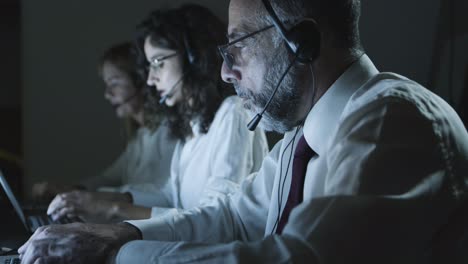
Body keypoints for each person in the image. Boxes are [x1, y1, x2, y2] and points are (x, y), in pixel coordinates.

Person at [18, 0, 468, 263]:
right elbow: (234, 217)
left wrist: (120, 256)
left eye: (238, 47)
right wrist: (122, 234)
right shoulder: (298, 141)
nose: (226, 72)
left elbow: (299, 258)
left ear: (302, 44)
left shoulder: (390, 118)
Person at [45, 4, 269, 224]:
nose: (151, 79)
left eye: (158, 63)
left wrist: (111, 209)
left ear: (193, 58)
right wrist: (97, 199)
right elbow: (170, 195)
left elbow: (216, 217)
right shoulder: (193, 122)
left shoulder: (234, 113)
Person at [31, 42, 178, 213]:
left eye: (114, 83)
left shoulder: (168, 132)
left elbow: (160, 194)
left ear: (141, 81)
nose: (107, 94)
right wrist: (68, 190)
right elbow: (109, 177)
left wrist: (92, 198)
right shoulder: (140, 136)